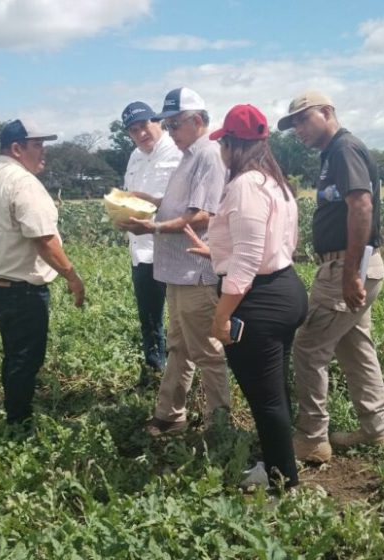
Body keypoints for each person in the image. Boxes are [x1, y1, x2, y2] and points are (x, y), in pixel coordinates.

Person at [185, 104, 307, 490]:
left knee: (265, 399)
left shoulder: (244, 185)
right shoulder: (277, 183)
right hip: (284, 288)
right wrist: (217, 254)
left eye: (223, 143)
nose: (220, 151)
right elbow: (278, 244)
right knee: (275, 392)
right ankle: (275, 464)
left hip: (259, 302)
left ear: (234, 145)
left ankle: (282, 482)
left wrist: (221, 317)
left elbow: (250, 262)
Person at [278, 91, 384, 463]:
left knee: (308, 348)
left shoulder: (344, 149)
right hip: (353, 265)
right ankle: (376, 431)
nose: (298, 129)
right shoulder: (334, 154)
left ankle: (312, 439)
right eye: (293, 123)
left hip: (347, 266)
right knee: (354, 347)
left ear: (327, 112)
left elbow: (361, 206)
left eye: (303, 119)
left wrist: (349, 274)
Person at [122, 87, 230, 436]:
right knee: (179, 346)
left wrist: (152, 226)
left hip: (196, 271)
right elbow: (179, 207)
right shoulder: (188, 154)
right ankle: (171, 414)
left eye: (173, 125)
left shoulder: (208, 155)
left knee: (206, 351)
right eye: (166, 125)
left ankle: (220, 425)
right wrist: (146, 200)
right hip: (177, 271)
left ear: (196, 120)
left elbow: (202, 216)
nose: (168, 132)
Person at [0, 118, 86, 427]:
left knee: (14, 352)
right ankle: (18, 422)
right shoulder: (23, 183)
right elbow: (44, 240)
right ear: (17, 148)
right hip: (22, 288)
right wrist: (73, 278)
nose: (43, 153)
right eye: (37, 146)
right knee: (26, 357)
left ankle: (14, 410)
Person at [119, 101, 181, 388]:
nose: (141, 133)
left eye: (144, 125)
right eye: (134, 130)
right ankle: (155, 372)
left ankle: (185, 380)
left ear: (158, 122)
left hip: (174, 249)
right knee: (150, 317)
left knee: (184, 320)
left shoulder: (178, 151)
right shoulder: (134, 157)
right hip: (141, 250)